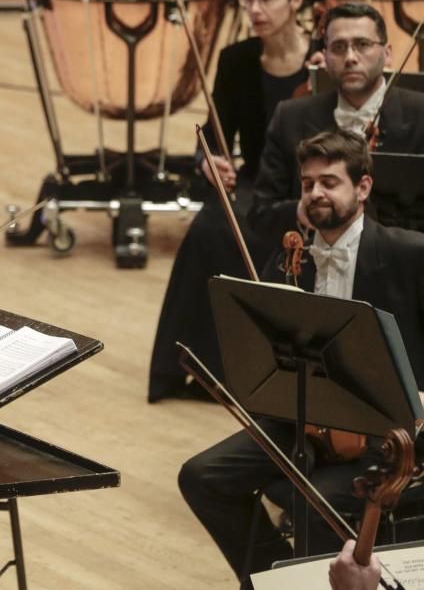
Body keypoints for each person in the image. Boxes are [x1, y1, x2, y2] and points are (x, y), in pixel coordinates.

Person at [179, 130, 424, 587]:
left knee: (314, 500)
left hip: (385, 431)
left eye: (330, 182)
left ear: (363, 188)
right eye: (308, 184)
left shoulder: (408, 254)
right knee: (200, 477)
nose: (316, 194)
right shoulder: (291, 260)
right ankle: (278, 575)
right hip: (301, 421)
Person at [147, 0, 311, 401]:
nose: (255, 10)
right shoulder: (238, 59)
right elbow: (216, 137)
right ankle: (200, 368)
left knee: (272, 230)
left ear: (296, 1)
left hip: (311, 186)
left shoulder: (320, 61)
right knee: (209, 229)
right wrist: (210, 162)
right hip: (259, 179)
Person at [249, 1, 424, 244]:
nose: (350, 57)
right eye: (339, 47)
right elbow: (260, 214)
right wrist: (304, 209)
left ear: (387, 54)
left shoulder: (420, 114)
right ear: (325, 55)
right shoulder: (290, 117)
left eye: (363, 45)